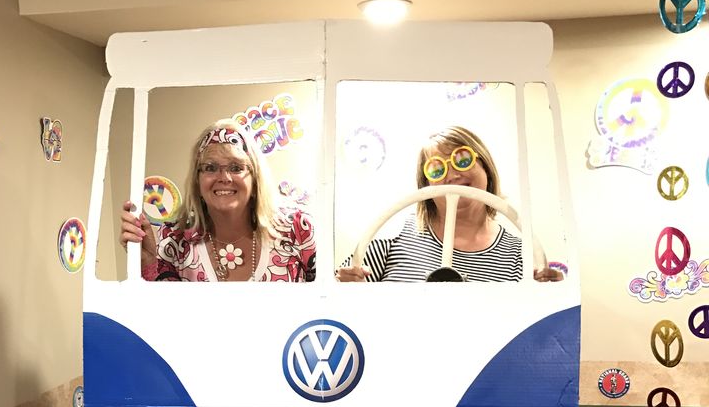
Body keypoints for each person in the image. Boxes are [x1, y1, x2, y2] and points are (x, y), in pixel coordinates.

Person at [336, 125, 562, 283]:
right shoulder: (392, 236)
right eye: (437, 168)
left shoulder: (517, 256)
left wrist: (550, 296)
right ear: (426, 185)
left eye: (462, 159)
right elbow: (346, 300)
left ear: (485, 167)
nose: (453, 174)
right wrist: (346, 285)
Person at [121, 119, 315, 282]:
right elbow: (161, 317)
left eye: (236, 167)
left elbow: (328, 305)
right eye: (211, 168)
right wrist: (147, 262)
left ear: (256, 178)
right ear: (197, 181)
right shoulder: (174, 241)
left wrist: (345, 286)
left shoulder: (297, 230)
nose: (224, 177)